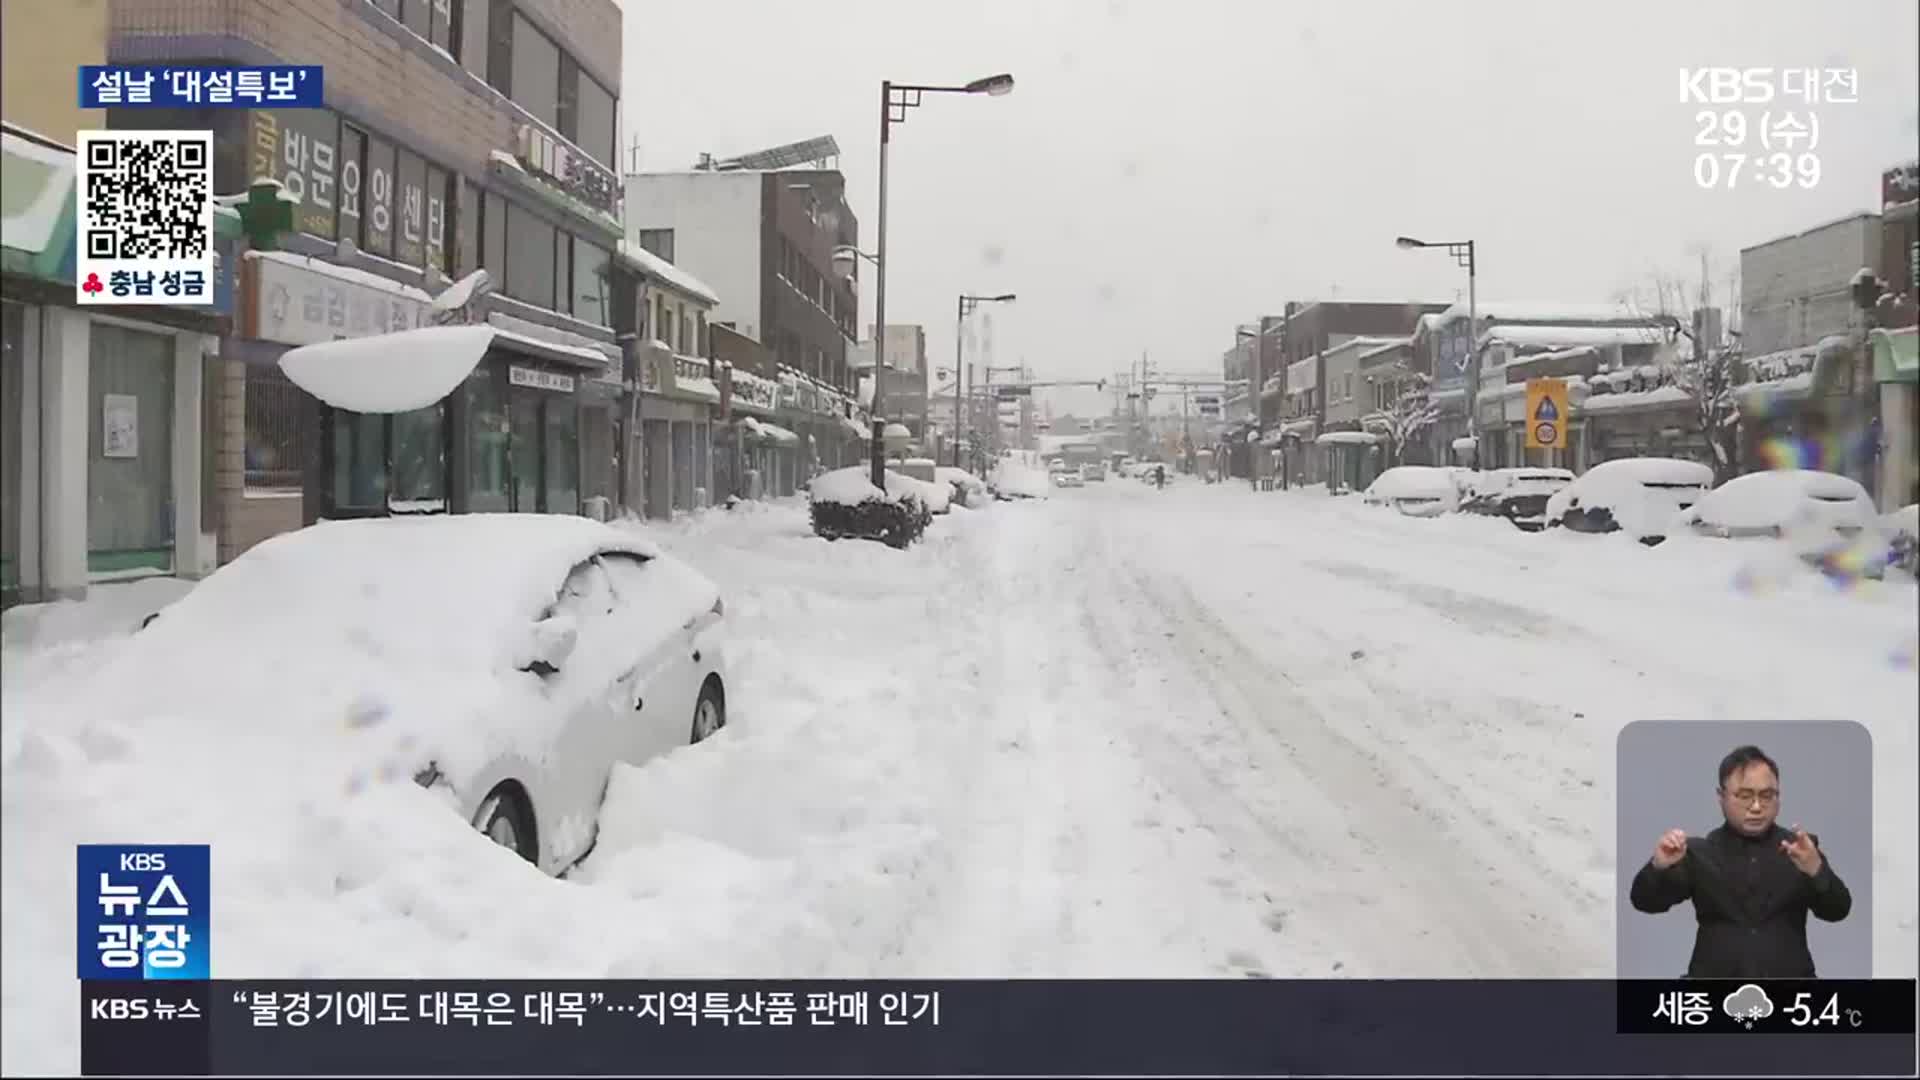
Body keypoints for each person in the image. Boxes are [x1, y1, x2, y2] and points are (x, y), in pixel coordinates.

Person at [1629, 745, 1852, 978]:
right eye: (1744, 796)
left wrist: (1816, 870)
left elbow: (1838, 910)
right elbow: (1645, 902)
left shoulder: (1800, 849)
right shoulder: (1699, 853)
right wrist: (1658, 866)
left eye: (1767, 796)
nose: (1756, 807)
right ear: (1721, 797)